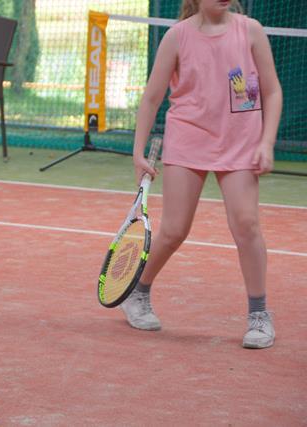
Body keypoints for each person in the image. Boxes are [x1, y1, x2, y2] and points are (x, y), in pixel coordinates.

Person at [122, 0, 282, 349]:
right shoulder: (177, 37)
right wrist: (137, 153)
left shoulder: (251, 30)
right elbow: (151, 98)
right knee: (174, 230)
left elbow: (271, 91)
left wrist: (266, 142)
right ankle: (137, 293)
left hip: (240, 143)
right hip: (188, 139)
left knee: (247, 225)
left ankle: (259, 314)